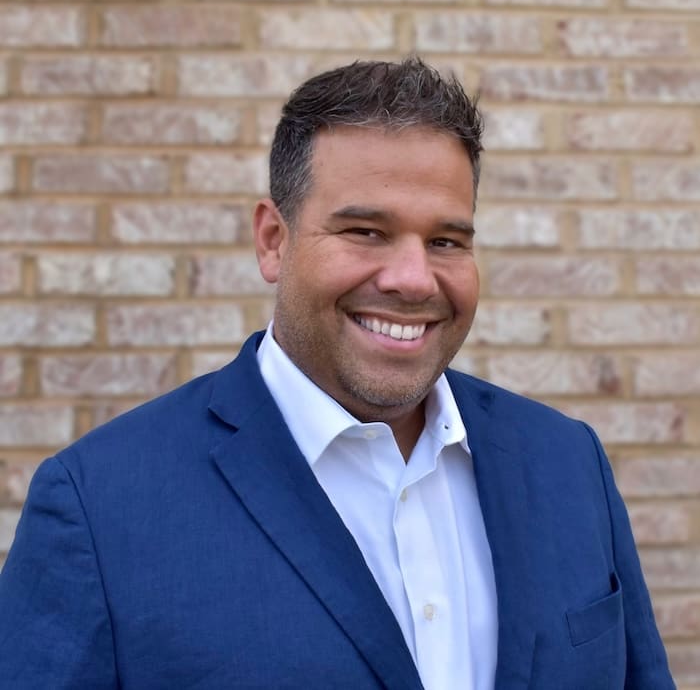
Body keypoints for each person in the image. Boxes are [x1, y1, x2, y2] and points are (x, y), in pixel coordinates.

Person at [0, 58, 674, 690]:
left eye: (446, 241)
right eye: (365, 232)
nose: (413, 279)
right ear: (273, 240)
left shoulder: (564, 461)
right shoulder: (100, 505)